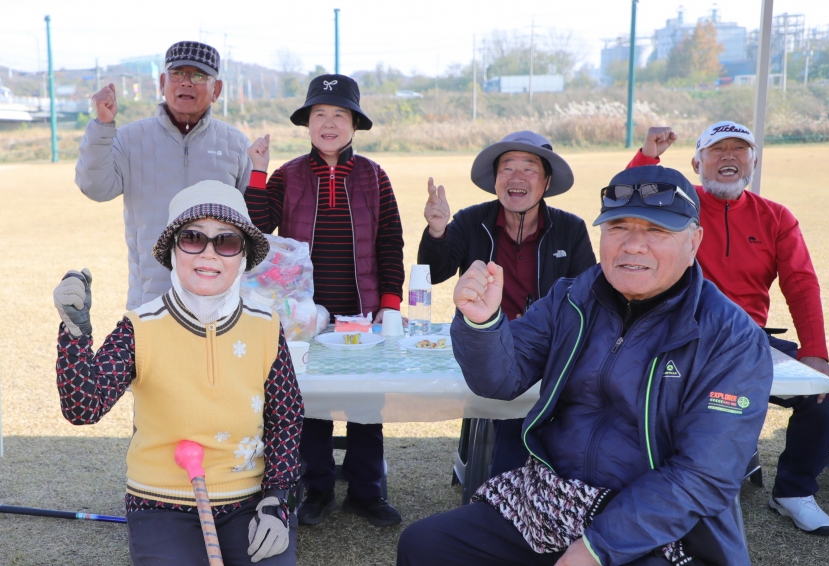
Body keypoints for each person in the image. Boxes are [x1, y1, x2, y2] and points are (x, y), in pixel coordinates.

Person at [397, 165, 773, 566]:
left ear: (694, 240)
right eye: (618, 227)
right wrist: (482, 323)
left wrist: (596, 547)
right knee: (426, 545)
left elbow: (704, 474)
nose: (633, 245)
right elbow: (499, 379)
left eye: (657, 230)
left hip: (658, 521)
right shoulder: (571, 299)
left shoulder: (730, 337)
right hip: (552, 498)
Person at [53, 181, 303, 564]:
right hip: (160, 503)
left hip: (249, 500)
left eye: (226, 241)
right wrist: (75, 334)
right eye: (193, 238)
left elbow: (286, 417)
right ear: (173, 250)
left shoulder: (266, 325)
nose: (209, 253)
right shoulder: (139, 328)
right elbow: (83, 409)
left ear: (243, 256)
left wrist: (276, 499)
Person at [628, 122, 829, 535]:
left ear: (753, 162)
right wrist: (648, 157)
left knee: (824, 396)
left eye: (739, 149)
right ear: (697, 163)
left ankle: (794, 491)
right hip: (681, 335)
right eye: (717, 149)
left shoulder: (776, 217)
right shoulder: (680, 205)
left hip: (749, 340)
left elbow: (801, 284)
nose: (728, 156)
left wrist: (815, 353)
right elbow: (633, 201)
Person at [244, 74, 405, 527]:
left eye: (339, 115)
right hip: (302, 314)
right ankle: (316, 489)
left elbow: (390, 242)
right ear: (307, 122)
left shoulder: (374, 176)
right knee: (307, 401)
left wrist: (389, 303)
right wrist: (258, 171)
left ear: (355, 124)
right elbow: (258, 230)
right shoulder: (289, 174)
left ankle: (366, 491)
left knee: (366, 402)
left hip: (362, 310)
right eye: (320, 114)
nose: (329, 123)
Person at [418, 131, 596, 477]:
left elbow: (587, 296)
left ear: (546, 182)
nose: (517, 177)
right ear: (496, 180)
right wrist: (438, 230)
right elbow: (435, 273)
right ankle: (509, 484)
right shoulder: (472, 221)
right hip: (485, 342)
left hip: (547, 346)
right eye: (507, 168)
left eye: (529, 168)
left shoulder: (570, 229)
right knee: (507, 404)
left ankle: (517, 482)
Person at [75, 41, 253, 310]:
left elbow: (251, 226)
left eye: (199, 76)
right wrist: (102, 126)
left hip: (219, 303)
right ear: (162, 82)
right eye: (178, 73)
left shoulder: (236, 144)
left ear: (216, 90)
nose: (186, 82)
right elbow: (96, 188)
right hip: (149, 298)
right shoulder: (131, 138)